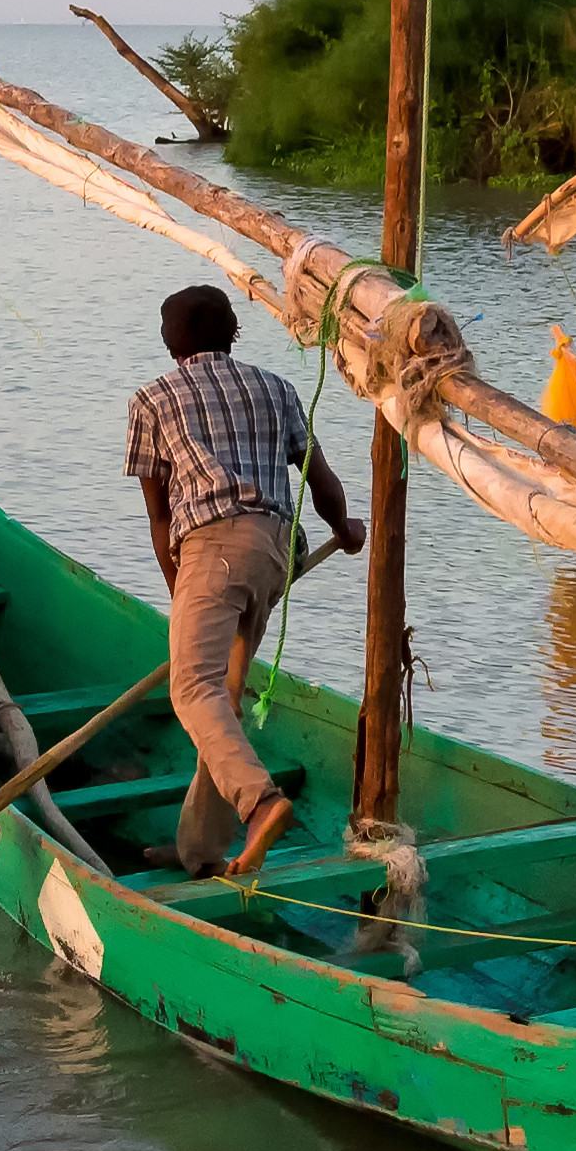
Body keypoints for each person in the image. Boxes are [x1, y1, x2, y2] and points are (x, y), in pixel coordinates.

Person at [126, 282, 359, 880]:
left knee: (191, 690)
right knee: (220, 699)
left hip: (213, 550)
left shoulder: (153, 399)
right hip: (273, 552)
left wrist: (182, 589)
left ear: (167, 341)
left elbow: (160, 519)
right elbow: (320, 478)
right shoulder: (275, 388)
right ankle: (200, 850)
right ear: (233, 334)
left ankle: (259, 803)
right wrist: (346, 527)